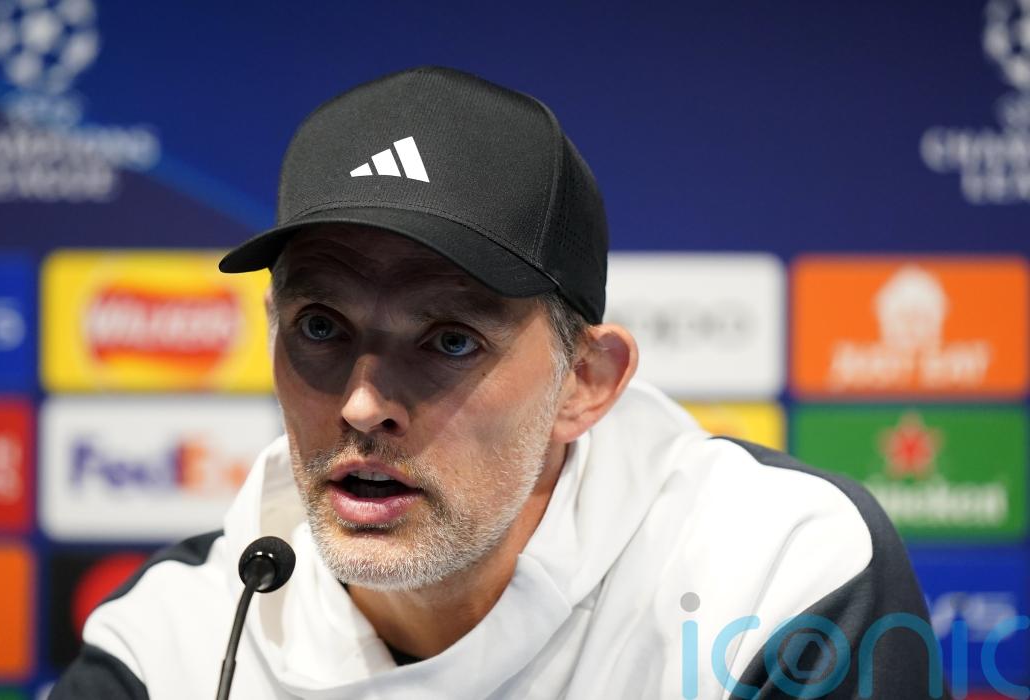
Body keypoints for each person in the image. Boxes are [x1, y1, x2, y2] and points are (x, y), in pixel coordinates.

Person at [52, 66, 939, 699]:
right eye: (320, 327)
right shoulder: (175, 638)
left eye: (449, 340)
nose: (363, 404)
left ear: (585, 383)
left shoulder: (778, 574)